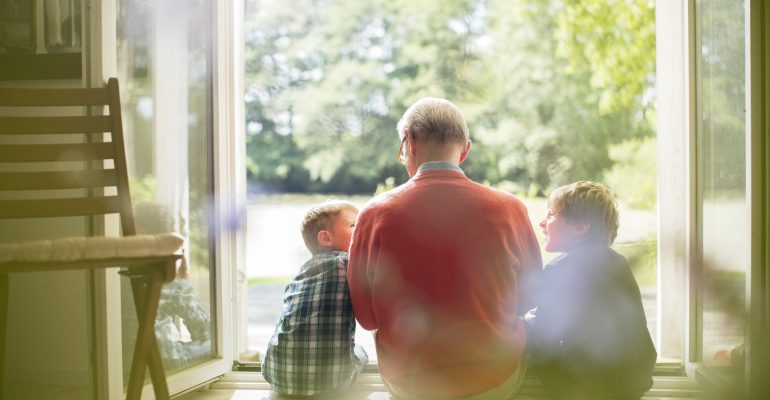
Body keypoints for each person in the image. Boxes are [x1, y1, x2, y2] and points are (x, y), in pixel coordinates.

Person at [348, 97, 543, 399]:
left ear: (409, 141)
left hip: (410, 382)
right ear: (465, 150)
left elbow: (366, 318)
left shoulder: (375, 214)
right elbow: (530, 297)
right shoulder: (510, 209)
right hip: (493, 379)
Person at [527, 181, 656, 399]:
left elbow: (543, 343)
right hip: (635, 383)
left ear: (580, 227)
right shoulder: (620, 262)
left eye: (551, 215)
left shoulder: (559, 268)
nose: (541, 222)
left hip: (585, 388)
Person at [262, 200, 368, 398]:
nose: (362, 229)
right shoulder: (348, 262)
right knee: (361, 352)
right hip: (331, 383)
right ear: (326, 238)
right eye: (354, 225)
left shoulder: (301, 273)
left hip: (277, 375)